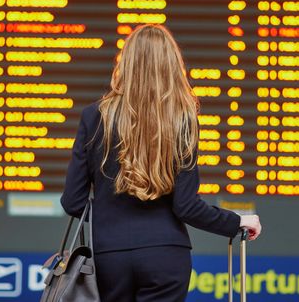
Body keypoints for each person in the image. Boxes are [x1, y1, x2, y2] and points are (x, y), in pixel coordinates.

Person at [61, 24, 262, 302]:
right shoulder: (183, 120)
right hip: (166, 256)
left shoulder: (95, 116)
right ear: (171, 65)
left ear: (126, 63)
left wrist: (110, 213)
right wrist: (236, 221)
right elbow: (186, 206)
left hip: (108, 259)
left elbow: (73, 202)